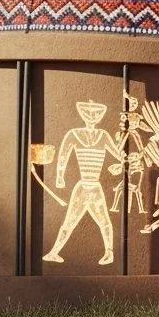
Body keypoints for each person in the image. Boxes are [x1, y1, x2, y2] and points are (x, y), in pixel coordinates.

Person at [43, 100, 122, 265]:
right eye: (89, 114)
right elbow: (63, 154)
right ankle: (54, 252)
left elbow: (120, 156)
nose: (92, 118)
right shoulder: (74, 134)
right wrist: (59, 176)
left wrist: (120, 165)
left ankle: (109, 253)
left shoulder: (103, 135)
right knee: (69, 222)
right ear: (83, 115)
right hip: (82, 187)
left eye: (95, 114)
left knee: (104, 221)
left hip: (95, 187)